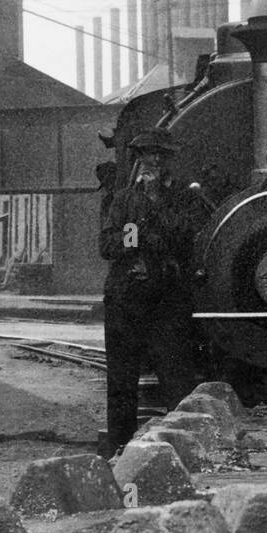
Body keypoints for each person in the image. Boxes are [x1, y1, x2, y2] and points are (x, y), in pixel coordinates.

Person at [100, 128, 204, 454]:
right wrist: (139, 236)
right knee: (121, 380)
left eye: (161, 156)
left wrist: (153, 207)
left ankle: (181, 447)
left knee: (176, 377)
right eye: (149, 155)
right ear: (139, 159)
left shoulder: (185, 199)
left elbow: (183, 236)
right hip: (125, 298)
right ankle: (121, 448)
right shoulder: (122, 200)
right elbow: (107, 244)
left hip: (166, 300)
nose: (155, 161)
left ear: (169, 160)